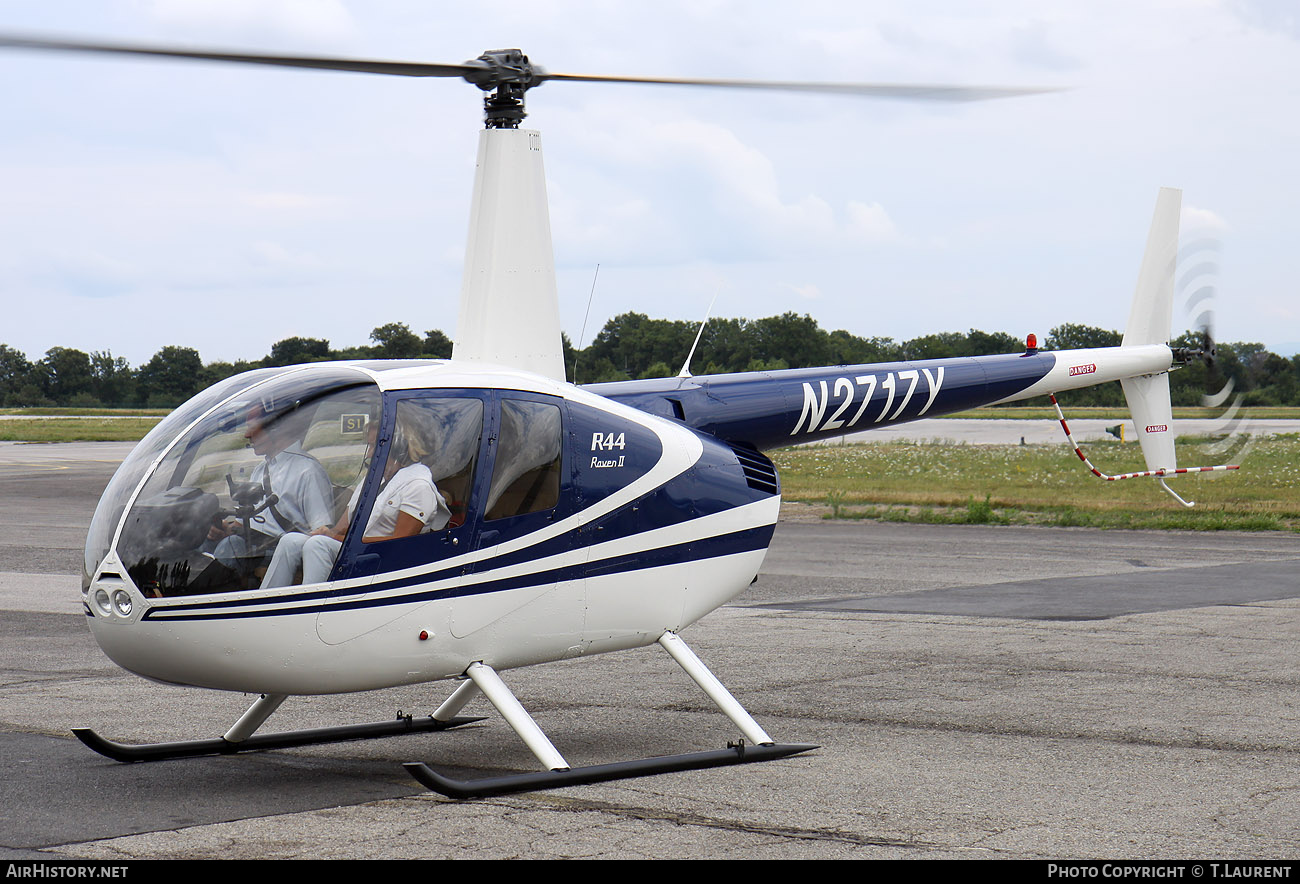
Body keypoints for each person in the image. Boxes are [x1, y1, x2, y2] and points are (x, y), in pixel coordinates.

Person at [260, 416, 448, 588]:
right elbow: (341, 528)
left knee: (318, 545)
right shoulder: (374, 481)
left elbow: (400, 544)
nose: (369, 454)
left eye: (375, 446)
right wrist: (329, 533)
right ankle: (265, 604)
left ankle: (309, 609)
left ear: (397, 447)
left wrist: (335, 539)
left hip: (380, 559)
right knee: (290, 541)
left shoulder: (418, 485)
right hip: (356, 549)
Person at [208, 402, 334, 576]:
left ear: (277, 429)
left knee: (230, 548)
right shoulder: (261, 469)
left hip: (282, 551)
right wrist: (224, 529)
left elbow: (321, 534)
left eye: (252, 427)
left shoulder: (308, 470)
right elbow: (249, 520)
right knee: (202, 542)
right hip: (252, 541)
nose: (247, 435)